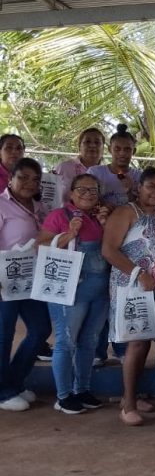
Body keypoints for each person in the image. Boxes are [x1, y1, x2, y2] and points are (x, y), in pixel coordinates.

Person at [103, 168, 155, 426]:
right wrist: (138, 273)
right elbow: (108, 250)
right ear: (139, 187)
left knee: (148, 343)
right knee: (136, 343)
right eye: (151, 186)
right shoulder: (126, 212)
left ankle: (130, 396)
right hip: (131, 285)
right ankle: (128, 405)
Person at [37, 174, 110, 414]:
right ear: (71, 193)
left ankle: (82, 389)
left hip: (99, 290)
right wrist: (68, 234)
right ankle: (64, 395)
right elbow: (40, 246)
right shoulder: (60, 215)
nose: (88, 194)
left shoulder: (100, 217)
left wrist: (105, 224)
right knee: (66, 341)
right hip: (70, 289)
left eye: (93, 190)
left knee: (89, 340)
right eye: (82, 189)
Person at [0, 158, 50, 412]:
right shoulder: (1, 205)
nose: (29, 183)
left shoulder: (41, 207)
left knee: (41, 329)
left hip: (33, 279)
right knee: (3, 334)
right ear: (11, 178)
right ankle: (3, 392)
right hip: (4, 280)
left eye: (35, 179)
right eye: (23, 177)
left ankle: (14, 382)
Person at [87, 123, 141, 207]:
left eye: (127, 149)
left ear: (133, 151)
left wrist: (130, 191)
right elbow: (86, 200)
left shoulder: (139, 176)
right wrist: (105, 205)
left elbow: (140, 208)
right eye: (117, 149)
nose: (122, 153)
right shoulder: (94, 173)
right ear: (109, 149)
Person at [53, 128, 105, 201]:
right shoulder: (64, 168)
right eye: (87, 141)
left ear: (103, 148)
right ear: (79, 146)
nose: (92, 145)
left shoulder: (107, 172)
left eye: (97, 142)